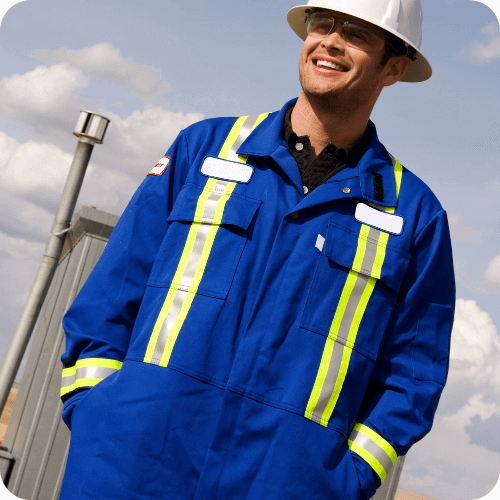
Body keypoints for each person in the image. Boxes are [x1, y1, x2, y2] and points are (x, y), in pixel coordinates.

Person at [58, 0, 455, 499]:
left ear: (393, 67)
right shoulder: (203, 149)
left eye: (356, 33)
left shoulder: (414, 216)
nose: (330, 41)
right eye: (322, 24)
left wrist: (344, 479)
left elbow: (412, 377)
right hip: (127, 466)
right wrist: (95, 409)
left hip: (283, 485)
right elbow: (112, 293)